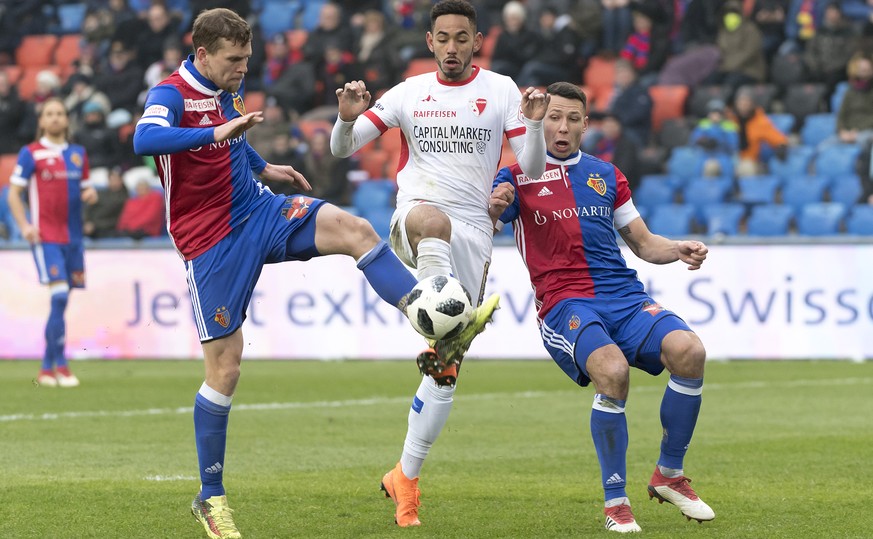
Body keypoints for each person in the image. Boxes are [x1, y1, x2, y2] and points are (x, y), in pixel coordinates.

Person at [132, 9, 425, 539]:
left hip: (257, 210)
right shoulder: (169, 94)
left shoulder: (227, 92)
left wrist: (263, 168)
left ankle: (429, 319)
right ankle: (210, 496)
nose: (242, 69)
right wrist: (221, 130)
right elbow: (144, 142)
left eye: (246, 60)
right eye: (233, 61)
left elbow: (233, 143)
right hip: (210, 242)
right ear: (202, 55)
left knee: (354, 228)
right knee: (226, 370)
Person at [329, 0, 548, 527]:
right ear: (430, 42)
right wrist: (345, 117)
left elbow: (534, 168)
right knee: (431, 220)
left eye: (462, 38)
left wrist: (536, 126)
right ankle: (432, 303)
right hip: (418, 217)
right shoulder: (408, 93)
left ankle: (406, 474)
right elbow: (343, 149)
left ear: (477, 41)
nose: (452, 47)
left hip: (474, 232)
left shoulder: (500, 90)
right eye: (443, 38)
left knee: (446, 366)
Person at [493, 82, 715, 533]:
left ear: (585, 125)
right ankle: (616, 502)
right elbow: (490, 216)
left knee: (690, 351)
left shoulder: (606, 175)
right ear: (537, 120)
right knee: (613, 372)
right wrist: (494, 206)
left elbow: (644, 243)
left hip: (624, 297)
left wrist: (679, 249)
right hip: (564, 302)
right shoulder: (514, 176)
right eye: (554, 116)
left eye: (573, 118)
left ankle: (669, 475)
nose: (563, 126)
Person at [6, 98, 98, 388]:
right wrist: (25, 226)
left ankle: (49, 367)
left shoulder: (78, 154)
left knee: (62, 301)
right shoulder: (30, 153)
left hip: (74, 240)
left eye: (60, 113)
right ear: (42, 121)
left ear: (67, 120)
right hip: (46, 238)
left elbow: (84, 190)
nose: (56, 118)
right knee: (58, 296)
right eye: (50, 114)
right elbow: (13, 194)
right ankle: (58, 365)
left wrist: (90, 195)